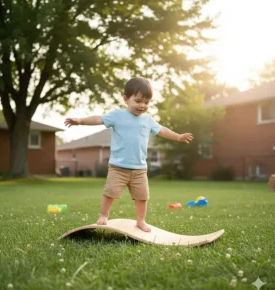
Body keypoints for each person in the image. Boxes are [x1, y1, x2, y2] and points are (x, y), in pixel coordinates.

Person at [65, 77, 193, 232]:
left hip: (139, 169)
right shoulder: (117, 115)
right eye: (138, 101)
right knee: (109, 193)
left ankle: (140, 221)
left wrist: (178, 137)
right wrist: (79, 120)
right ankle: (104, 215)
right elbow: (99, 119)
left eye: (146, 102)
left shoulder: (148, 119)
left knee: (142, 197)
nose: (142, 106)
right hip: (118, 167)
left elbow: (162, 130)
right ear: (126, 99)